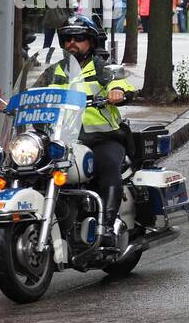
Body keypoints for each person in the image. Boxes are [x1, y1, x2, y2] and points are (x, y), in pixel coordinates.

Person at [50, 15, 135, 244]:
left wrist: (117, 91)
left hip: (103, 137)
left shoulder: (100, 66)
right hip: (66, 139)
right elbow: (40, 92)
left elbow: (119, 81)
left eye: (79, 38)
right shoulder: (57, 70)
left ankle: (106, 225)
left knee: (107, 165)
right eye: (68, 38)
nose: (72, 43)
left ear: (91, 42)